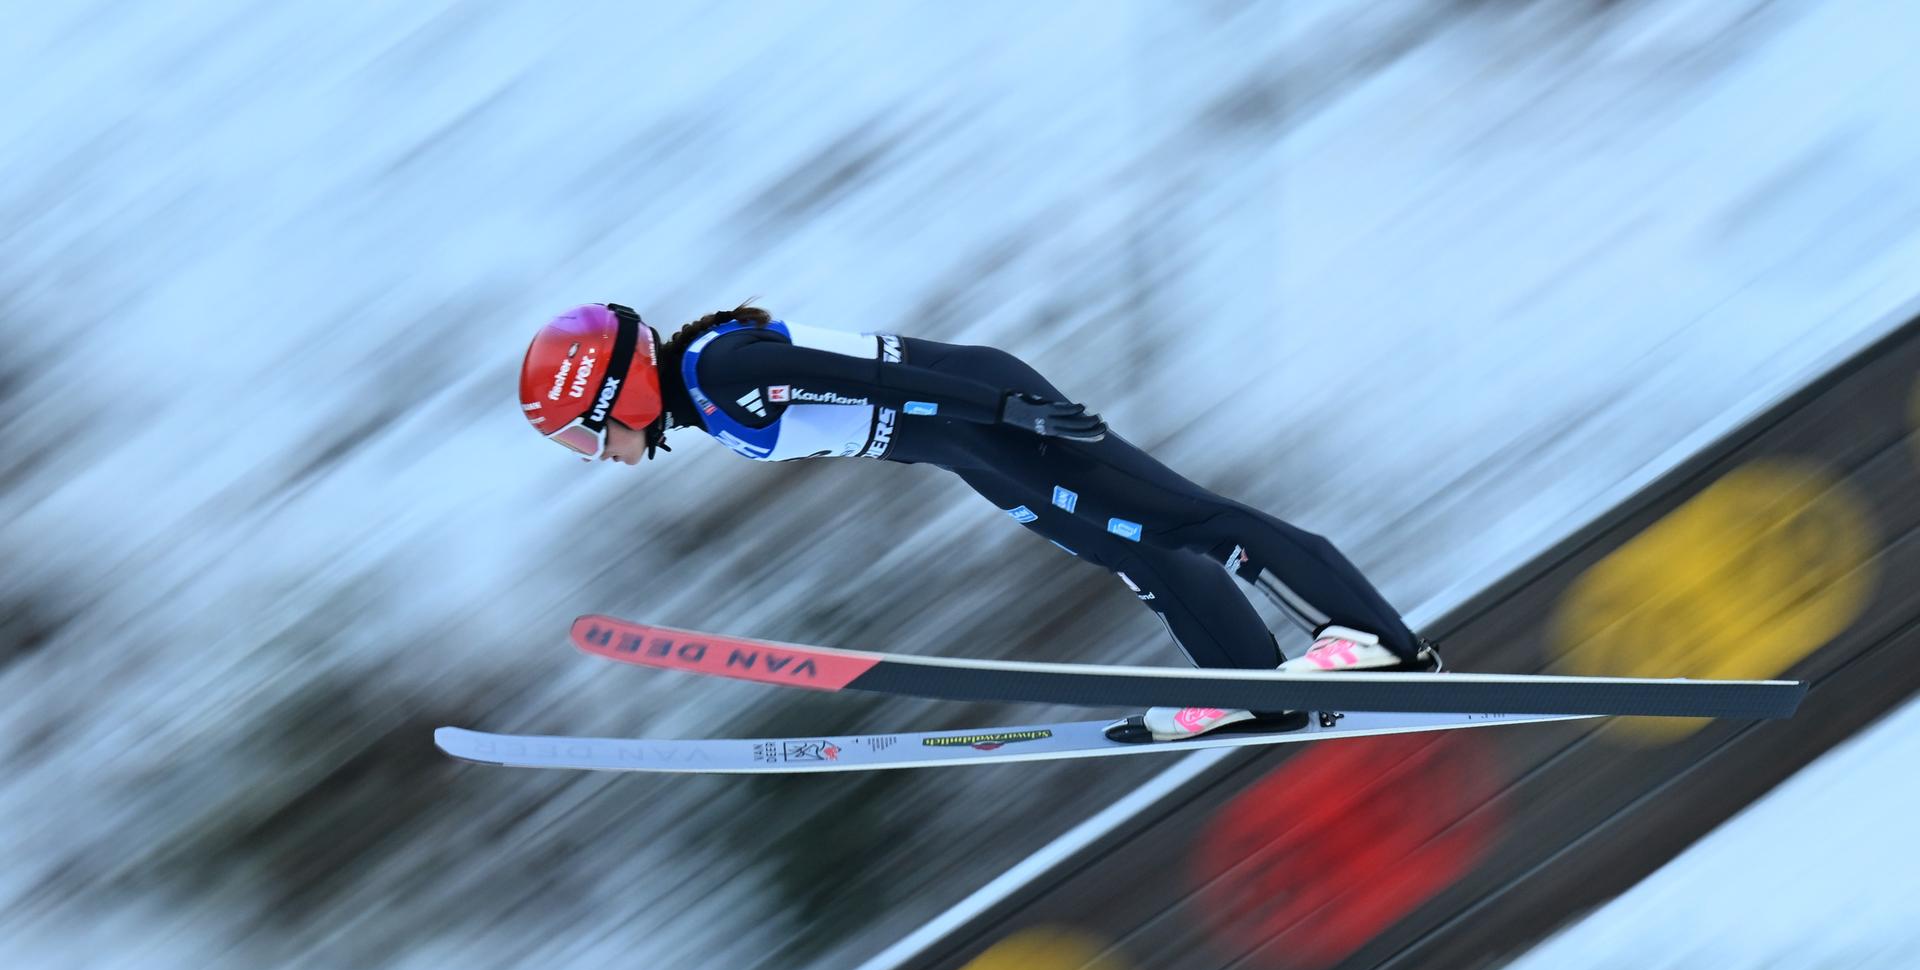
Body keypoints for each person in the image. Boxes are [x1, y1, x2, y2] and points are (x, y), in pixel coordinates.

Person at [518, 302, 1439, 742]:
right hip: (964, 446)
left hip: (982, 415)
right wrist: (981, 438)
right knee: (1139, 553)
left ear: (614, 392)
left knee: (1187, 520)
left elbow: (874, 380)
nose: (598, 456)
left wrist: (1007, 413)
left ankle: (1371, 641)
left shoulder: (718, 372)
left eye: (587, 437)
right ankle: (1251, 684)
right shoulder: (708, 393)